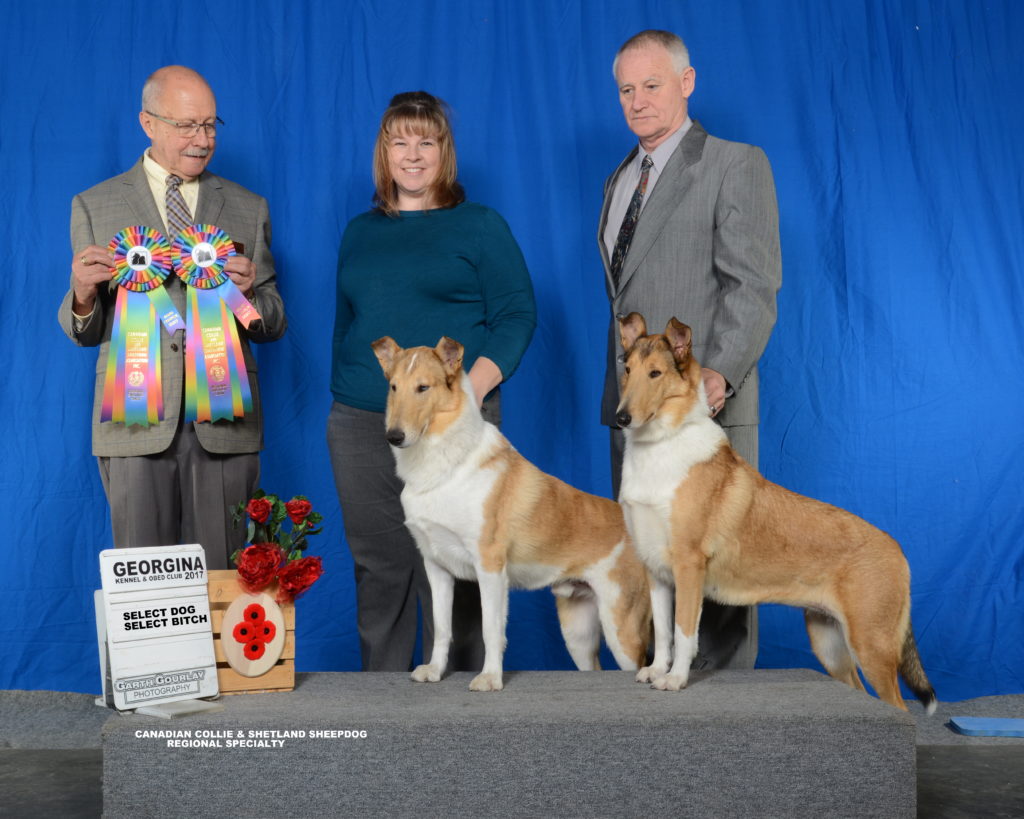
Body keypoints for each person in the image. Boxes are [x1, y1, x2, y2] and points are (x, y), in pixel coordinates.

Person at [328, 91, 536, 672]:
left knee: (461, 563)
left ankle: (465, 716)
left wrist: (470, 391)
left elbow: (517, 315)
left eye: (427, 141)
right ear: (384, 152)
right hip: (363, 420)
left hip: (451, 425)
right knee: (379, 565)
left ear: (444, 152)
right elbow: (348, 326)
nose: (413, 155)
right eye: (400, 142)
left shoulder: (480, 226)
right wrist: (350, 399)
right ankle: (385, 703)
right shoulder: (359, 232)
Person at [598, 31, 782, 669]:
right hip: (634, 406)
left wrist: (720, 376)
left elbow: (753, 288)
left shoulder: (735, 163)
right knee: (654, 560)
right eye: (627, 89)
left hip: (701, 406)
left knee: (720, 568)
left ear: (687, 81)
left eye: (652, 85)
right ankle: (664, 723)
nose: (638, 101)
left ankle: (727, 731)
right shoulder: (621, 178)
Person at [57, 65, 286, 569]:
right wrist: (81, 293)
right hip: (134, 421)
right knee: (145, 593)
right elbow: (86, 330)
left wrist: (244, 297)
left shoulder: (248, 207)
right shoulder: (95, 205)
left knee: (224, 580)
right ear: (148, 123)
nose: (202, 140)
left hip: (224, 420)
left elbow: (270, 322)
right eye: (186, 125)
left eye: (209, 125)